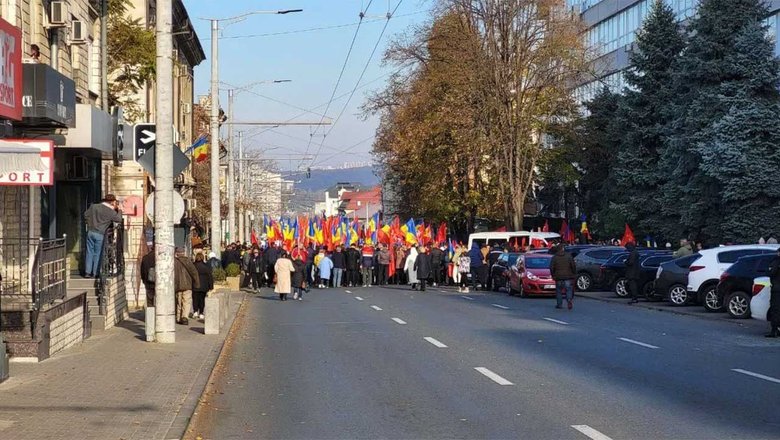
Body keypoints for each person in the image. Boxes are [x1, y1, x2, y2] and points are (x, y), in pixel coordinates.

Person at [83, 194, 123, 278]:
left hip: (90, 231)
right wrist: (119, 210)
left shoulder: (93, 206)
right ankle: (95, 273)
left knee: (89, 252)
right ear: (112, 202)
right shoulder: (110, 212)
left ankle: (87, 272)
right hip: (100, 233)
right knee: (98, 253)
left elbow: (85, 215)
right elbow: (119, 219)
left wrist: (90, 223)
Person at [174, 248, 200, 325]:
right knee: (186, 301)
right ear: (184, 253)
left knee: (179, 301)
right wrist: (197, 284)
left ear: (177, 253)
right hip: (188, 285)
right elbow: (194, 272)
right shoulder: (188, 261)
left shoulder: (174, 262)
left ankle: (178, 317)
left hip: (178, 285)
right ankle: (184, 317)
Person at [550, 244, 577, 310]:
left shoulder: (555, 257)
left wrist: (553, 275)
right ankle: (569, 300)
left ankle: (559, 304)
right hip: (568, 276)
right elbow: (573, 265)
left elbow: (551, 267)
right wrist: (573, 273)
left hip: (558, 276)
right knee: (568, 289)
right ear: (563, 249)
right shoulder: (568, 256)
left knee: (559, 291)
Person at [192, 253, 213, 319]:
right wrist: (211, 286)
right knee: (202, 299)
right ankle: (201, 312)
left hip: (195, 285)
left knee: (195, 299)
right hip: (204, 285)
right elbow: (210, 277)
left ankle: (195, 311)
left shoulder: (193, 266)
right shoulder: (206, 266)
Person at [766, 249, 780, 337]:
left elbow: (771, 272)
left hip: (777, 290)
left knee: (775, 310)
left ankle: (774, 330)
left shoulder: (776, 261)